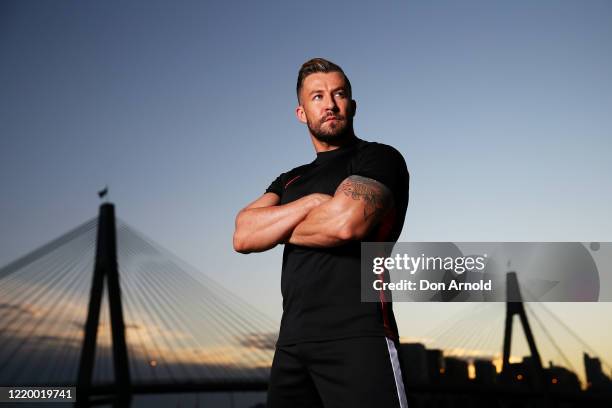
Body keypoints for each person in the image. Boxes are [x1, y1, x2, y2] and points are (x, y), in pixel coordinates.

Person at [233, 58, 410, 408]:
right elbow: (242, 234)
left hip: (360, 336)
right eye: (317, 96)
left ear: (352, 105)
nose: (329, 104)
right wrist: (311, 202)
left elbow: (345, 225)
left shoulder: (379, 159)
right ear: (302, 113)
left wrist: (275, 226)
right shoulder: (290, 180)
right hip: (292, 344)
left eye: (338, 94)